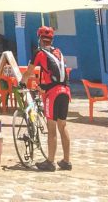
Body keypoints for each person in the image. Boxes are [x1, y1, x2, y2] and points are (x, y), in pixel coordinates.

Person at [23, 26, 71, 171]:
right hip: (65, 91)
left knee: (51, 128)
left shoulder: (39, 53)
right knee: (62, 126)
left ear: (40, 39)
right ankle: (66, 161)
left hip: (53, 94)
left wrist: (21, 82)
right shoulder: (58, 52)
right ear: (51, 40)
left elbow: (29, 72)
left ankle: (50, 161)